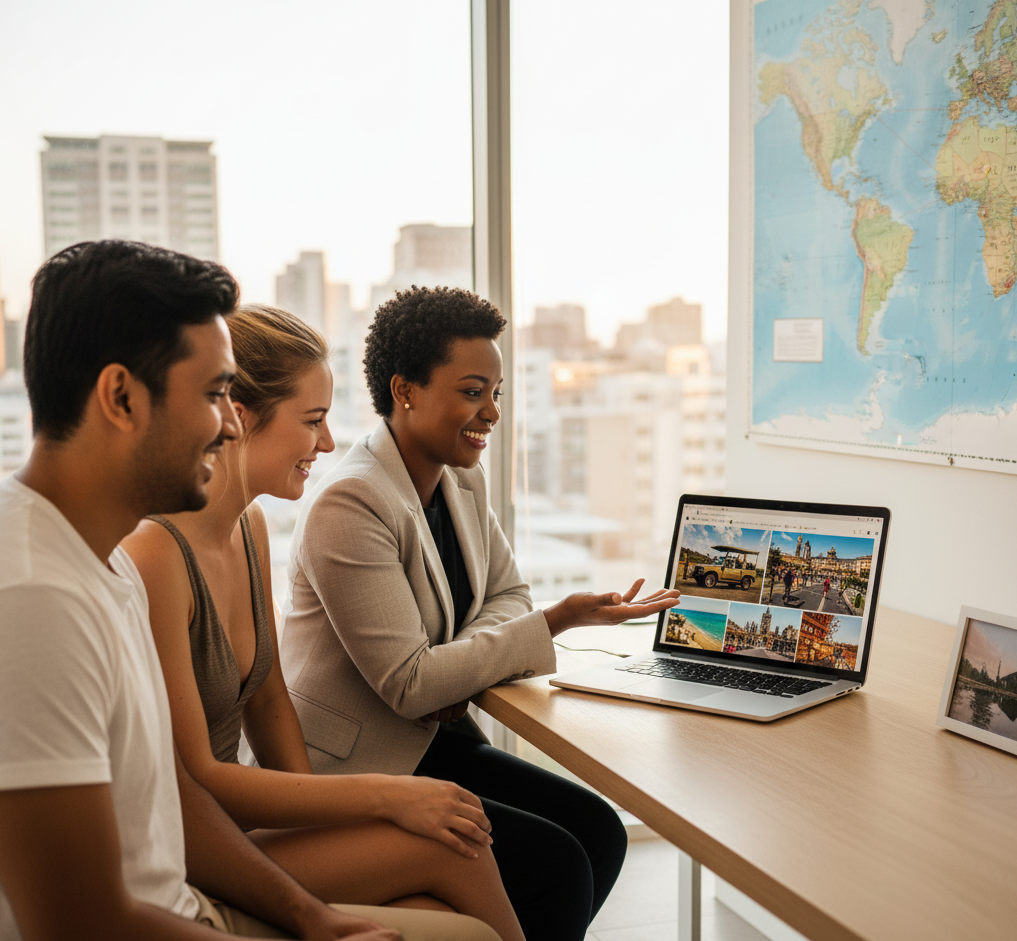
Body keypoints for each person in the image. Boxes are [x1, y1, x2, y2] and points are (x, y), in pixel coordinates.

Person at [0, 241, 494, 941]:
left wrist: (312, 917)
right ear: (121, 397)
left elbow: (177, 792)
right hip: (175, 914)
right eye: (212, 396)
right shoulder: (36, 596)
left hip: (183, 893)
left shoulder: (99, 563)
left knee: (456, 919)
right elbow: (80, 921)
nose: (230, 424)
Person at [281, 285, 681, 941]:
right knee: (556, 864)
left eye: (496, 392)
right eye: (473, 391)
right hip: (354, 764)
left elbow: (507, 595)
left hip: (426, 738)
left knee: (598, 830)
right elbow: (412, 684)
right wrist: (553, 621)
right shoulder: (349, 503)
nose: (491, 411)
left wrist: (455, 666)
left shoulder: (460, 476)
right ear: (405, 391)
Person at [122, 304, 522, 941]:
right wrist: (386, 797)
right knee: (459, 848)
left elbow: (269, 701)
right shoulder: (155, 554)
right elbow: (194, 779)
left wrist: (331, 826)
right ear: (238, 417)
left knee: (449, 908)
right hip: (189, 855)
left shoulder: (249, 527)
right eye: (313, 420)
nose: (330, 443)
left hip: (246, 829)